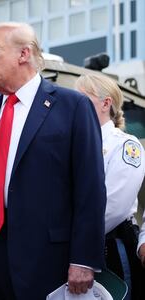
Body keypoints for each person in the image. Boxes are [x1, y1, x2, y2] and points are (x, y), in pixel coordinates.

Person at [0, 22, 107, 300]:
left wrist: (84, 259)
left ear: (24, 54)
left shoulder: (71, 106)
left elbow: (90, 187)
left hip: (45, 257)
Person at [75, 73, 145, 300]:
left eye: (82, 99)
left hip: (108, 248)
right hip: (70, 247)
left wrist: (69, 243)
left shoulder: (124, 145)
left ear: (106, 103)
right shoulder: (72, 142)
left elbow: (112, 207)